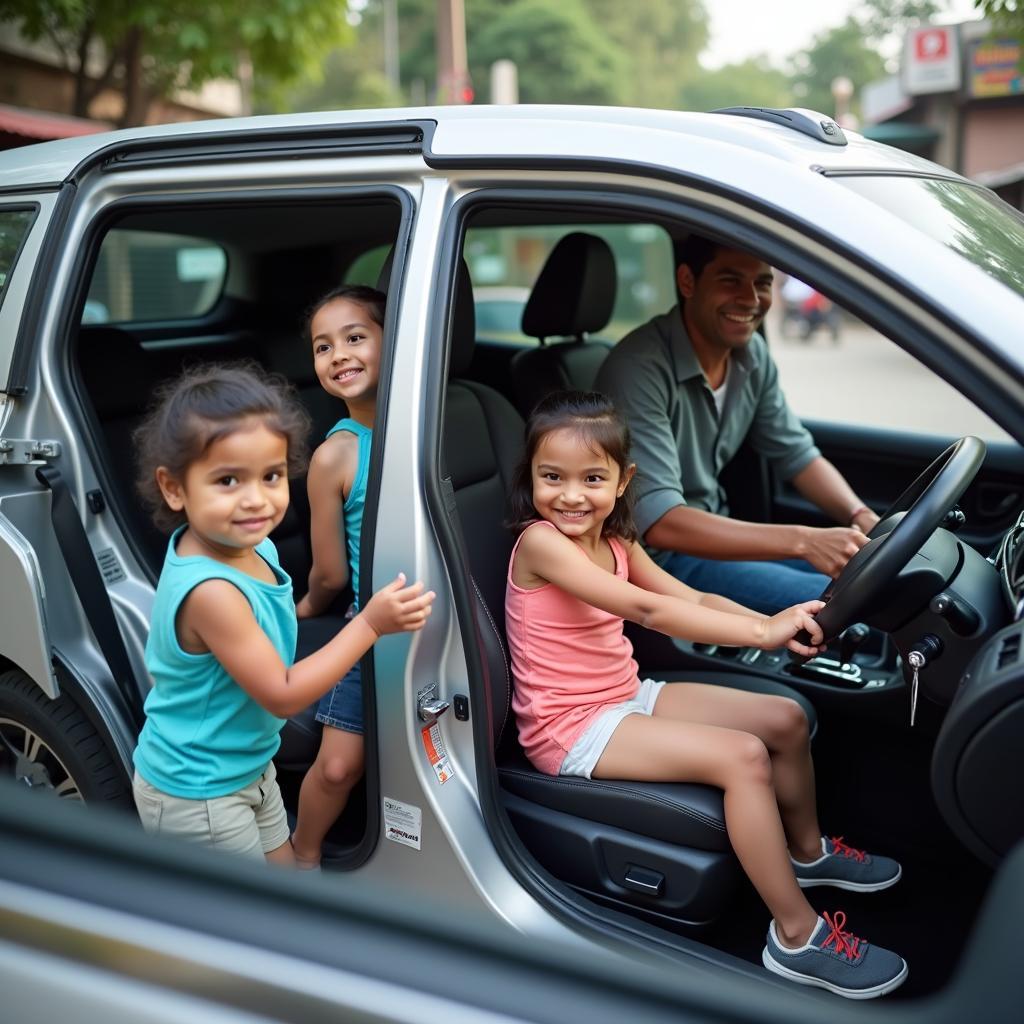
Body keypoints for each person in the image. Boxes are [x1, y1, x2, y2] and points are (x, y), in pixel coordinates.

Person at [504, 390, 907, 999]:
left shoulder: (615, 541)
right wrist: (761, 631)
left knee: (784, 717)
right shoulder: (541, 543)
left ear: (622, 481)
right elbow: (646, 608)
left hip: (622, 696)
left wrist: (778, 622)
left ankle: (807, 850)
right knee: (742, 756)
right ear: (529, 476)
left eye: (592, 478)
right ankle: (797, 937)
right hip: (568, 728)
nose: (570, 495)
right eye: (551, 477)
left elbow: (689, 599)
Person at [131, 362, 434, 864]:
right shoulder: (211, 592)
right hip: (197, 789)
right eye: (228, 480)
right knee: (246, 928)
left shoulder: (249, 545)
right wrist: (370, 623)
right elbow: (281, 693)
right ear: (174, 489)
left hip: (247, 767)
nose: (257, 500)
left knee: (288, 876)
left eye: (271, 475)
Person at [595, 235, 878, 615]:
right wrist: (803, 540)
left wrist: (860, 516)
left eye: (762, 283)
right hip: (657, 567)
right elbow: (661, 523)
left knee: (873, 579)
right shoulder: (639, 368)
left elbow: (796, 454)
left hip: (716, 544)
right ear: (687, 282)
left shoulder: (751, 356)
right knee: (856, 604)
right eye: (730, 280)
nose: (750, 299)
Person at [291, 284, 386, 869]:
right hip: (372, 626)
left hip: (437, 613)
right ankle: (303, 850)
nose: (339, 356)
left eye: (355, 338)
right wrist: (307, 606)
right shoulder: (336, 456)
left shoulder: (434, 422)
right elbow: (330, 572)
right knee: (337, 765)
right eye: (323, 348)